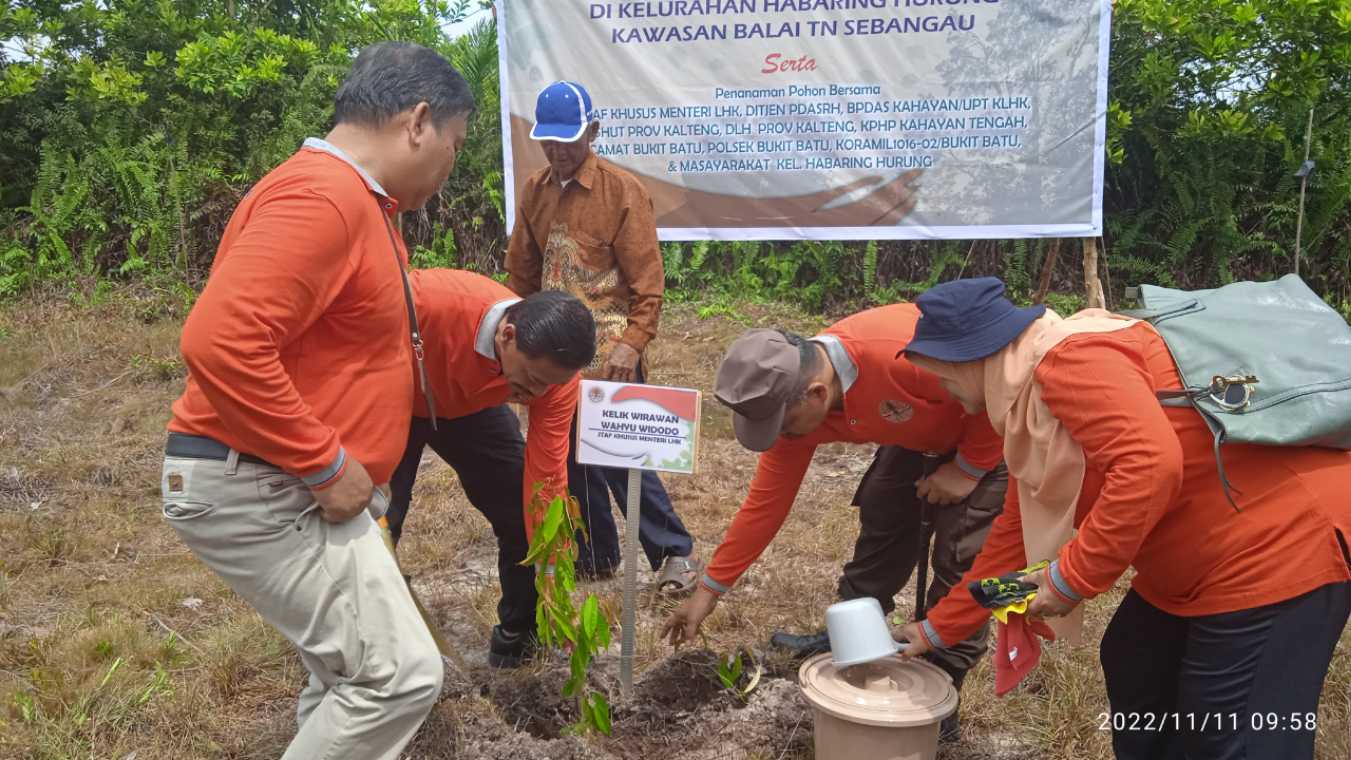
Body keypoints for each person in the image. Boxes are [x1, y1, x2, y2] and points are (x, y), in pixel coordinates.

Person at [159, 43, 474, 758]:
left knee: (346, 676)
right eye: (453, 146)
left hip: (286, 480)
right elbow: (219, 342)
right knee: (397, 678)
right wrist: (326, 463)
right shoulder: (321, 197)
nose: (450, 166)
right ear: (417, 122)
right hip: (264, 480)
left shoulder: (361, 203)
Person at [894, 277, 1351, 760]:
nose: (942, 391)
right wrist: (937, 630)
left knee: (1229, 730)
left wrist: (1069, 579)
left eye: (940, 375)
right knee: (1135, 664)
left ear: (966, 358)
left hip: (1281, 546)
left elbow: (1151, 465)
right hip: (1197, 556)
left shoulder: (1070, 360)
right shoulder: (1029, 408)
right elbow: (1014, 540)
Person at [660, 305, 1008, 739]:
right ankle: (852, 640)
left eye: (782, 428)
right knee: (882, 515)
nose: (782, 438)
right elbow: (765, 504)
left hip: (991, 437)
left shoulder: (904, 352)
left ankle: (941, 685)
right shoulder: (796, 404)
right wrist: (709, 591)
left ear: (818, 394)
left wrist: (970, 468)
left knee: (962, 560)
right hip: (916, 435)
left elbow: (998, 386)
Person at [505, 80, 698, 592]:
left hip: (610, 346)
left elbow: (647, 283)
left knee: (617, 455)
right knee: (568, 456)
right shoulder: (533, 191)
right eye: (550, 142)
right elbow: (522, 275)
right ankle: (596, 556)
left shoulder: (622, 191)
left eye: (569, 141)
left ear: (592, 130)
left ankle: (672, 552)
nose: (560, 152)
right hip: (552, 349)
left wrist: (632, 343)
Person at [385, 268, 595, 668]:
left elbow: (546, 480)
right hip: (393, 395)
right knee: (376, 523)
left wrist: (553, 578)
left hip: (470, 409)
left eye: (548, 386)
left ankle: (519, 637)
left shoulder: (556, 380)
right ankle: (375, 652)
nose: (536, 395)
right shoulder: (426, 302)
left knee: (520, 509)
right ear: (507, 335)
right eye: (532, 380)